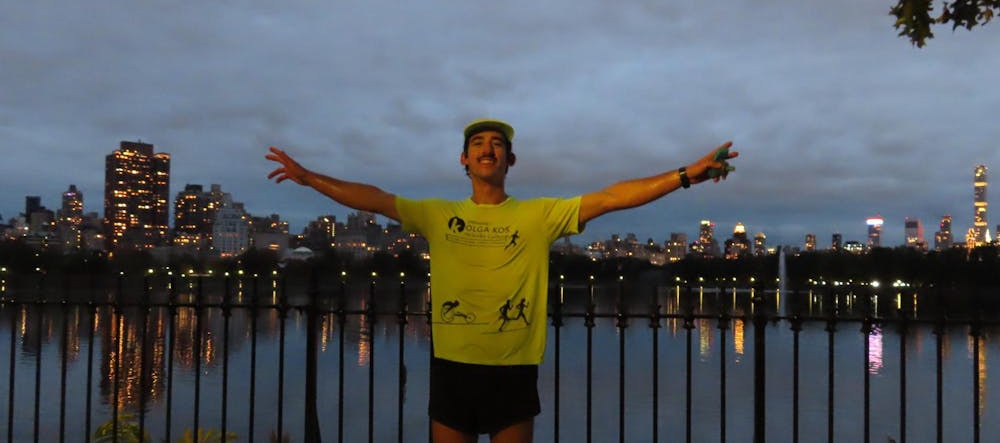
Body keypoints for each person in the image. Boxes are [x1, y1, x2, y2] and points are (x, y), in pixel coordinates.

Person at [266, 119, 737, 443]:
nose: (487, 149)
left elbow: (614, 197)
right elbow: (374, 199)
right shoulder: (437, 214)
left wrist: (686, 175)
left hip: (514, 368)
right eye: (478, 144)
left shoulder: (540, 215)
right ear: (464, 162)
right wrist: (310, 179)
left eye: (496, 144)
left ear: (510, 160)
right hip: (452, 367)